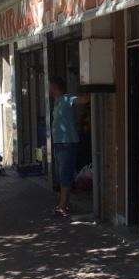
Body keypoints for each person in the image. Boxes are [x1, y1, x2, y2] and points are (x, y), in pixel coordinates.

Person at [49, 77, 89, 216]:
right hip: (59, 143)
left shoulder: (66, 99)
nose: (49, 89)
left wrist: (89, 89)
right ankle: (66, 203)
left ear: (55, 87)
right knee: (62, 173)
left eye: (50, 86)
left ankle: (62, 206)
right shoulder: (57, 102)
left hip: (67, 142)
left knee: (65, 173)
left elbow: (83, 100)